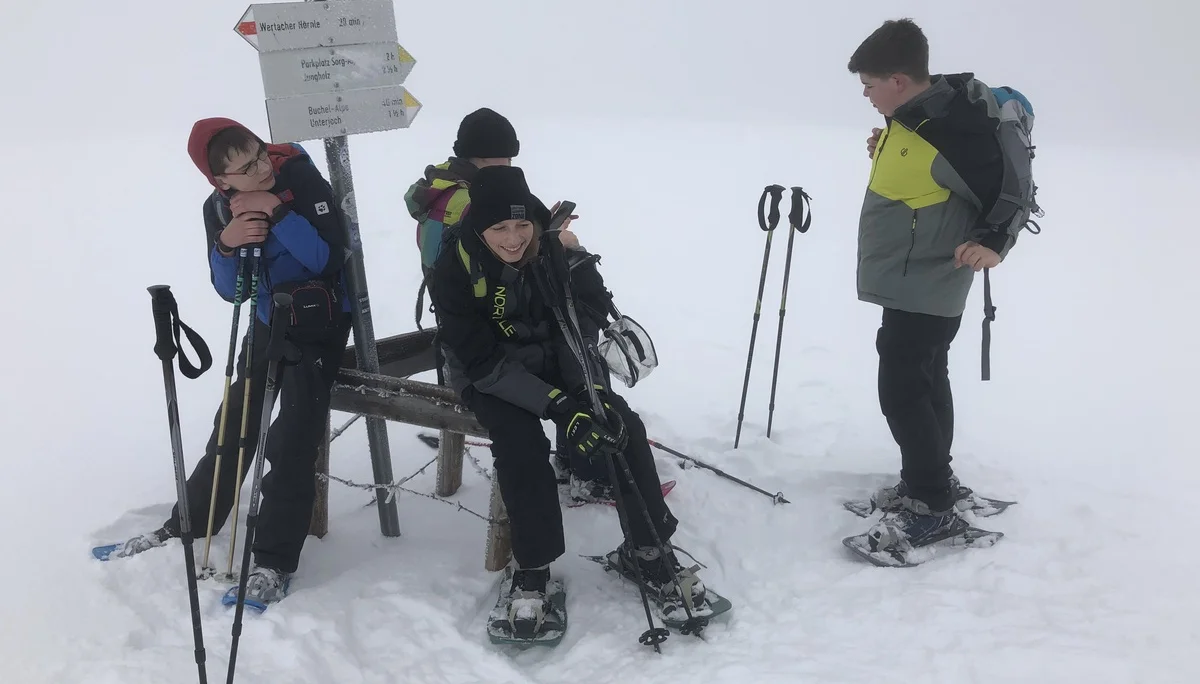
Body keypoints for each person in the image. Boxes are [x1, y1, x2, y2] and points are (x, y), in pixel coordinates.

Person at [425, 164, 705, 627]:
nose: (513, 238)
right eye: (500, 228)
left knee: (621, 423)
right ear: (480, 226)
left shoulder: (548, 252)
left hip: (551, 361)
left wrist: (587, 391)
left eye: (521, 225)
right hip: (488, 373)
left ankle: (648, 550)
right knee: (521, 444)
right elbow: (479, 362)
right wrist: (558, 407)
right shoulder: (453, 269)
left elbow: (570, 329)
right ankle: (533, 567)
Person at [100, 118, 352, 610]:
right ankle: (190, 523)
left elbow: (328, 258)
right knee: (233, 425)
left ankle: (274, 561)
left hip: (317, 326)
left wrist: (278, 213)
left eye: (260, 155)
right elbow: (226, 288)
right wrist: (228, 243)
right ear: (221, 181)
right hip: (265, 323)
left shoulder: (299, 177)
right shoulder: (217, 207)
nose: (260, 168)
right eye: (245, 168)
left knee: (293, 440)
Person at [846, 19, 1026, 549]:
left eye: (870, 83)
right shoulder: (918, 118)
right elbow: (925, 177)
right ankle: (931, 482)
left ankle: (931, 507)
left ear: (899, 79)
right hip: (914, 281)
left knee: (902, 391)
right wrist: (886, 149)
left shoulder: (949, 129)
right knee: (926, 380)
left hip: (927, 282)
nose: (865, 93)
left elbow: (1006, 190)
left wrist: (996, 242)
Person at [405, 108, 617, 502]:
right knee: (572, 361)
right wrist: (543, 239)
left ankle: (582, 459)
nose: (508, 167)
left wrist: (540, 229)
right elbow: (496, 255)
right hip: (484, 332)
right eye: (502, 159)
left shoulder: (441, 188)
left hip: (470, 322)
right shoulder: (469, 199)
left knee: (567, 352)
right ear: (480, 158)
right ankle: (590, 470)